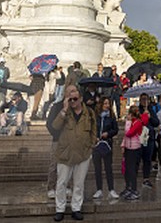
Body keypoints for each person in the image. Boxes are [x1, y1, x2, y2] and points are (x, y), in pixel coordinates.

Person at [51, 84, 96, 221]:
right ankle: (60, 208)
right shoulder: (63, 111)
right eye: (68, 94)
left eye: (74, 93)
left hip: (83, 153)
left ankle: (76, 208)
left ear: (80, 97)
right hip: (65, 153)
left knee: (79, 183)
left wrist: (91, 143)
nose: (72, 97)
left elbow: (94, 129)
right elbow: (55, 126)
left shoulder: (89, 112)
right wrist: (64, 110)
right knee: (62, 182)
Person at [91, 97, 120, 200]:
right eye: (105, 103)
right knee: (97, 168)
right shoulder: (96, 116)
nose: (107, 105)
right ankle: (99, 189)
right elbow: (92, 128)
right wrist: (94, 137)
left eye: (108, 103)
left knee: (108, 168)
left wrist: (108, 133)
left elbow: (116, 130)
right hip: (96, 144)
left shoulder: (111, 117)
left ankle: (111, 189)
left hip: (107, 144)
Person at [120, 105, 147, 201]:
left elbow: (129, 133)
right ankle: (128, 187)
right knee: (127, 169)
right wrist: (123, 145)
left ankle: (134, 190)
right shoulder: (132, 122)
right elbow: (125, 136)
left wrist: (127, 122)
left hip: (134, 148)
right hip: (128, 147)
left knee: (132, 170)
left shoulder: (137, 123)